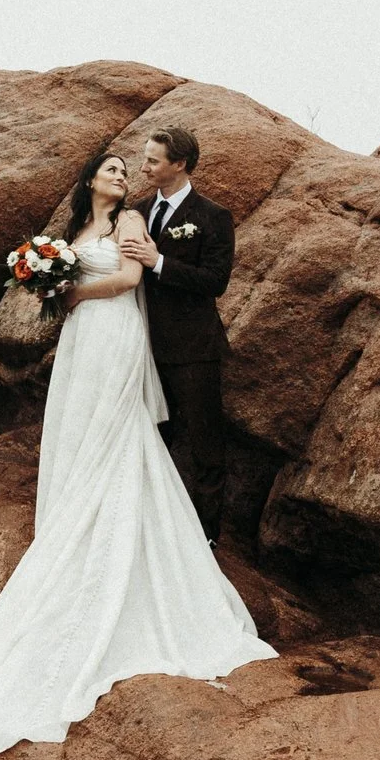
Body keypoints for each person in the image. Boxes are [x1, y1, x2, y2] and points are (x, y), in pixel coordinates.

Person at [0, 149, 274, 760]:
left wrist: (73, 293)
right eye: (113, 171)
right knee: (76, 435)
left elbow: (131, 282)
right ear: (89, 180)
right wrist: (51, 283)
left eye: (129, 172)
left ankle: (120, 547)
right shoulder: (71, 233)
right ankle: (72, 526)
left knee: (115, 437)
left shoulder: (130, 223)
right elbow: (55, 286)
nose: (122, 178)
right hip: (81, 343)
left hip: (114, 333)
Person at [119, 127, 235, 539]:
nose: (144, 166)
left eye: (153, 159)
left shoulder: (212, 216)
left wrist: (159, 262)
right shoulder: (137, 209)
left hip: (193, 349)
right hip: (143, 344)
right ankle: (149, 527)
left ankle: (206, 537)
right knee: (151, 438)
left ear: (179, 164)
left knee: (205, 442)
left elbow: (214, 281)